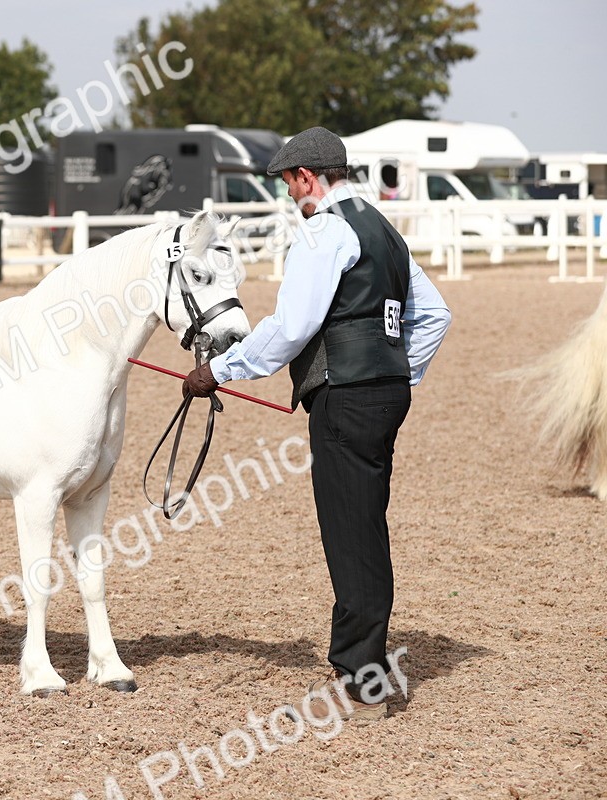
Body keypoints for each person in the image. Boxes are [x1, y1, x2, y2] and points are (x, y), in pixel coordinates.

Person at [183, 126, 452, 721]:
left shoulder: (323, 232)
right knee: (365, 519)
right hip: (383, 396)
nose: (288, 195)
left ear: (307, 178)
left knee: (348, 527)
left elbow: (292, 326)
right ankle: (364, 656)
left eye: (287, 183)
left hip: (346, 400)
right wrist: (398, 373)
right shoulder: (384, 230)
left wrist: (219, 370)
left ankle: (365, 669)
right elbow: (434, 314)